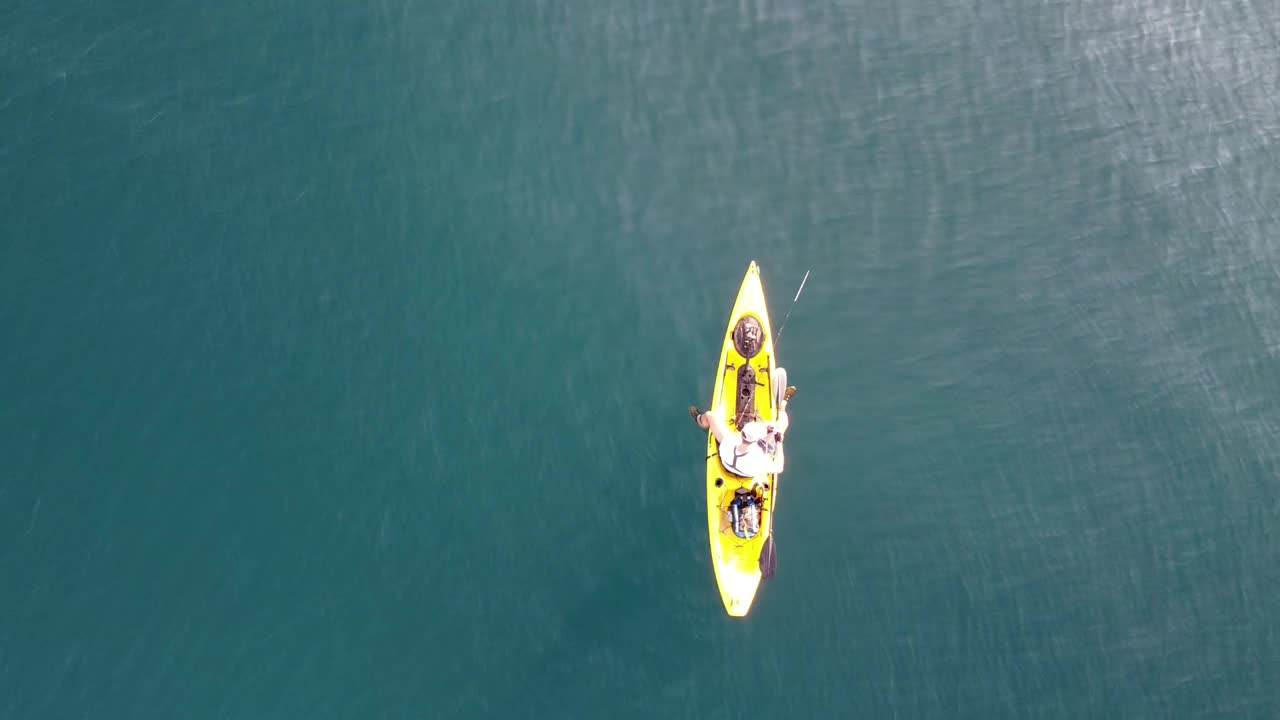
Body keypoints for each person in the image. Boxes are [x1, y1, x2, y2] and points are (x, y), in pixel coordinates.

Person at [690, 385, 796, 478]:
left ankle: (701, 420)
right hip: (748, 473)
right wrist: (779, 443)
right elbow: (779, 467)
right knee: (781, 425)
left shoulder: (729, 443)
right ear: (757, 441)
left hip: (729, 460)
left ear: (741, 434)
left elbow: (731, 440)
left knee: (710, 415)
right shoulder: (759, 460)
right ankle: (782, 407)